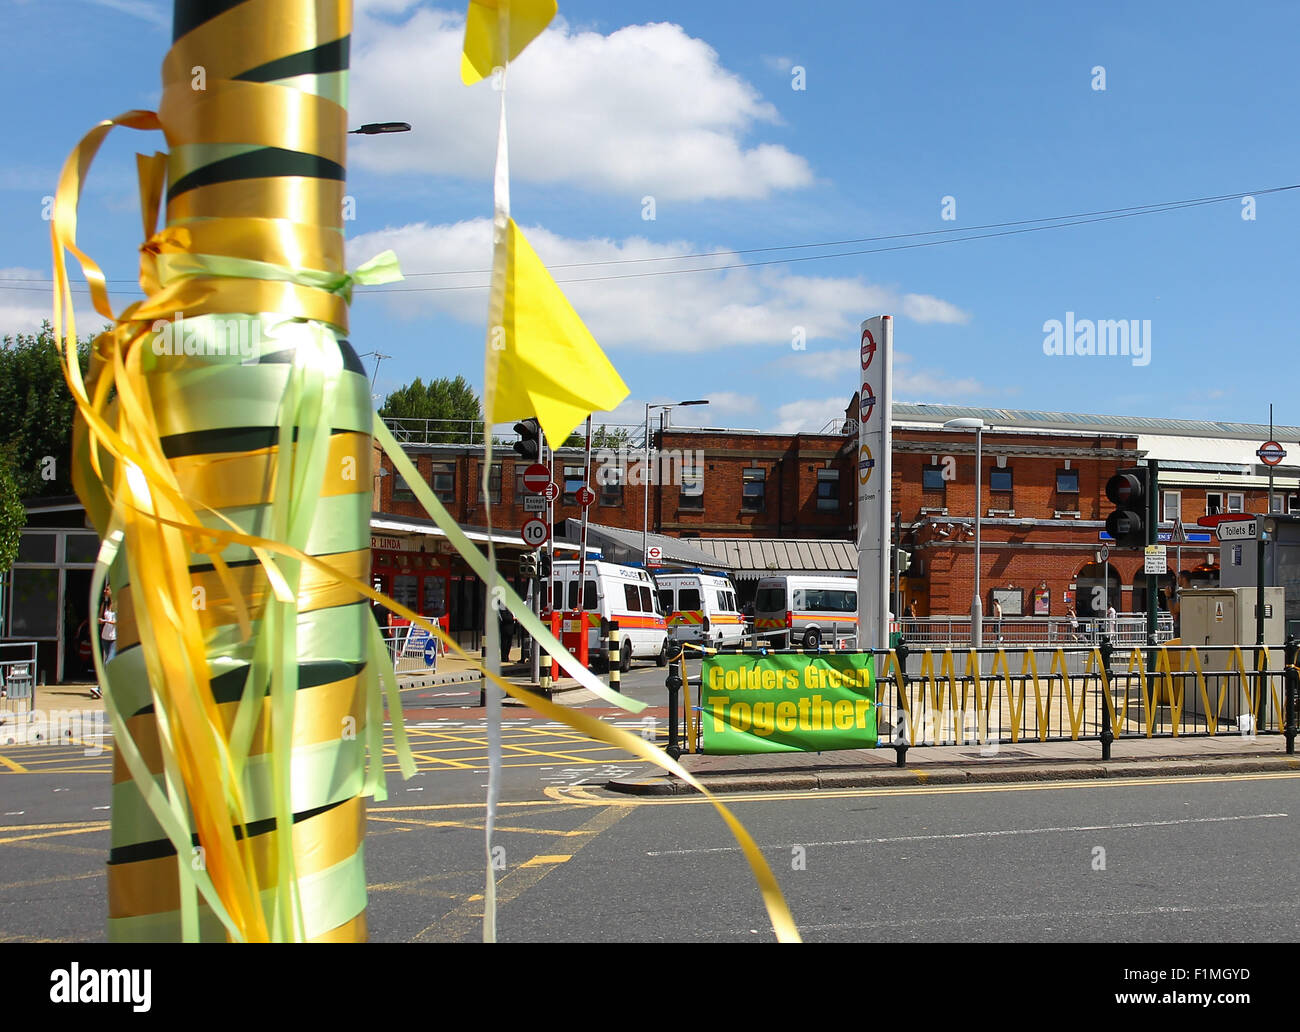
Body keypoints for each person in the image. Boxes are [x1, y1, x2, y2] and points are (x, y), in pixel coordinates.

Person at [95, 586, 116, 699]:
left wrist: (107, 621)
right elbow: (99, 617)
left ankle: (100, 688)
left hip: (115, 638)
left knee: (108, 663)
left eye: (107, 589)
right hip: (105, 637)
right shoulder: (105, 605)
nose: (105, 591)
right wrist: (100, 621)